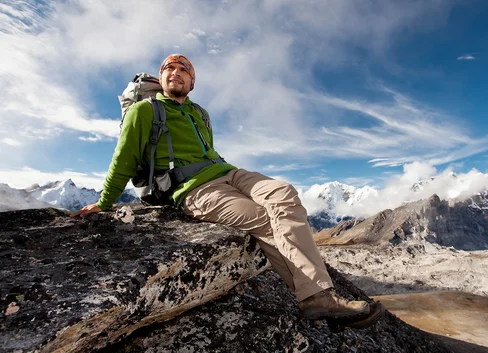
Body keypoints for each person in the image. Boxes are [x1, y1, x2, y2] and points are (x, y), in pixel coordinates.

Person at [73, 54, 384, 328]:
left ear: (191, 82)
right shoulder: (144, 111)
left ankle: (316, 295)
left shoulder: (200, 114)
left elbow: (208, 152)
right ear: (161, 77)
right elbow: (123, 158)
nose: (175, 73)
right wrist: (104, 202)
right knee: (264, 220)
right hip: (193, 189)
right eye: (169, 68)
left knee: (284, 194)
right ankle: (317, 297)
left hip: (229, 172)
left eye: (183, 69)